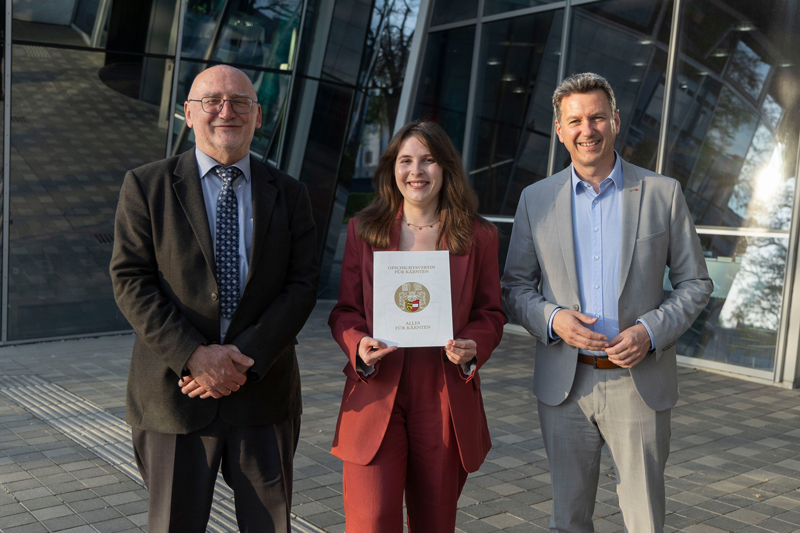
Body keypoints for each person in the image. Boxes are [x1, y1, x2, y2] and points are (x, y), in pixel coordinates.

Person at [110, 65, 319, 532]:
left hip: (263, 393)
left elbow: (303, 284)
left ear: (258, 116)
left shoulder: (290, 193)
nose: (227, 111)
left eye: (241, 102)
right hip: (175, 395)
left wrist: (242, 357)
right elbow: (130, 279)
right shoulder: (146, 186)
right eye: (212, 101)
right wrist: (194, 355)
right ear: (188, 113)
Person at [502, 72, 713, 532]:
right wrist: (553, 319)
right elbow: (515, 286)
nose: (587, 129)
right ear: (559, 130)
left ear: (615, 121)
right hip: (565, 386)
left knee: (644, 521)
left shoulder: (662, 193)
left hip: (639, 385)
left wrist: (650, 332)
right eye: (575, 121)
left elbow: (696, 282)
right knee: (568, 520)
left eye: (597, 117)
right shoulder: (536, 200)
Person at [328, 120, 507, 532]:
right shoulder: (363, 230)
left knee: (434, 521)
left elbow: (491, 313)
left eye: (428, 160)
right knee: (371, 520)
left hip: (443, 390)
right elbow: (345, 311)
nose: (416, 171)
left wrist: (473, 345)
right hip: (377, 386)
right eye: (406, 160)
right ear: (392, 168)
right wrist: (358, 344)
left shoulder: (478, 236)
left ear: (446, 167)